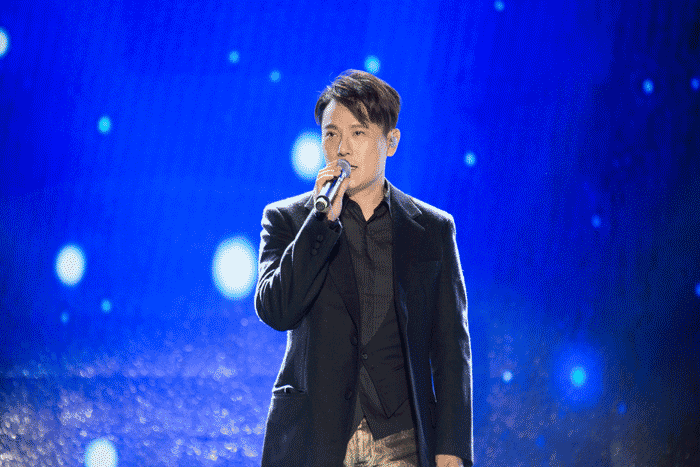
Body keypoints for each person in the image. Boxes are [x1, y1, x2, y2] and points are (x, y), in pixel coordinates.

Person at [254, 70, 473, 467]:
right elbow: (276, 311)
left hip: (402, 438)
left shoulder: (432, 229)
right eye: (331, 134)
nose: (342, 148)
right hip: (315, 439)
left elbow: (450, 348)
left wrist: (452, 447)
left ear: (391, 142)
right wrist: (320, 223)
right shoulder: (288, 219)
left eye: (358, 133)